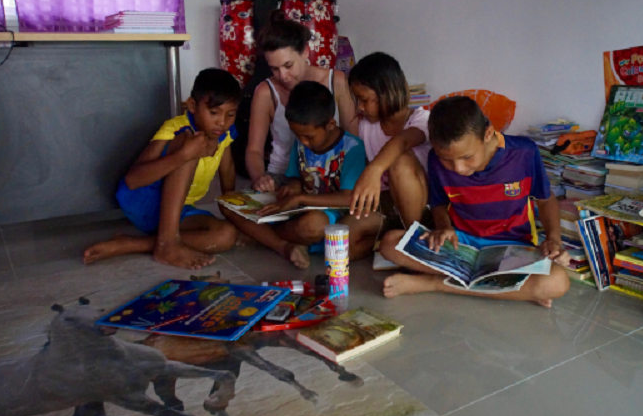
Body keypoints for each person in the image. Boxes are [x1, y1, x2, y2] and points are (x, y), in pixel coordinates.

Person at [379, 97, 571, 307]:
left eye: (467, 157)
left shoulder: (524, 153)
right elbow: (439, 204)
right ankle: (514, 289)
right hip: (461, 246)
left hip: (512, 250)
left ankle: (434, 283)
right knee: (390, 244)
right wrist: (444, 227)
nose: (459, 168)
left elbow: (545, 200)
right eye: (447, 160)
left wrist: (553, 240)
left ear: (487, 134)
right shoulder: (436, 158)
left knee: (557, 281)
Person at [83, 69, 241, 269]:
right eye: (214, 113)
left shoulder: (225, 133)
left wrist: (235, 213)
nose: (222, 122)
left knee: (226, 236)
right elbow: (133, 180)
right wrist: (184, 154)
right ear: (193, 106)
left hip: (177, 212)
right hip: (144, 202)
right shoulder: (177, 129)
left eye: (230, 114)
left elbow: (227, 168)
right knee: (191, 142)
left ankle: (130, 244)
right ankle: (167, 243)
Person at [221, 81, 380, 269]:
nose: (303, 141)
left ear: (330, 124)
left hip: (332, 215)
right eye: (298, 135)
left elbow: (348, 198)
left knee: (313, 225)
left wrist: (300, 199)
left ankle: (263, 236)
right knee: (227, 204)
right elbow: (297, 177)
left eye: (309, 137)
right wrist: (291, 189)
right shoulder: (301, 142)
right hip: (298, 211)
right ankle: (284, 239)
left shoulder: (352, 147)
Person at [246, 11, 356, 193]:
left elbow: (353, 139)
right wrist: (260, 178)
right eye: (274, 68)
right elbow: (254, 151)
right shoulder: (265, 92)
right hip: (281, 177)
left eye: (288, 65)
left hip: (331, 173)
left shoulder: (336, 82)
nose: (283, 76)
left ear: (305, 51)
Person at [347, 52, 431, 228]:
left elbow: (402, 142)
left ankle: (415, 239)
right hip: (385, 205)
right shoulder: (365, 125)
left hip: (423, 207)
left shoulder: (423, 120)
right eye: (357, 100)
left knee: (399, 159)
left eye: (364, 100)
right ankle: (392, 238)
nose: (360, 107)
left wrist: (374, 169)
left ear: (387, 93)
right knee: (348, 237)